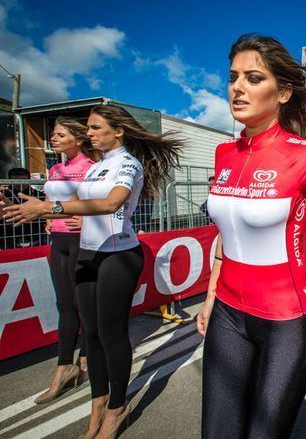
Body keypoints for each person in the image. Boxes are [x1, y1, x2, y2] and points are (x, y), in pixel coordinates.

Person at [196, 34, 306, 439]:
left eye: (252, 78)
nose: (237, 88)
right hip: (227, 313)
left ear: (282, 92)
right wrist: (211, 299)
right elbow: (227, 238)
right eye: (232, 78)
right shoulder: (223, 153)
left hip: (286, 320)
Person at [2, 104, 183, 438]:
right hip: (88, 254)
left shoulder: (127, 163)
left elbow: (113, 203)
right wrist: (31, 205)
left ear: (118, 131)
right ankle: (97, 404)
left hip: (118, 256)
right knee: (92, 335)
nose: (89, 133)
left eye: (96, 128)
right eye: (87, 128)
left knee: (112, 336)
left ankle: (117, 407)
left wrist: (49, 207)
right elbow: (86, 206)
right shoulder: (97, 166)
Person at [35, 118, 97, 404]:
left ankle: (83, 358)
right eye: (53, 135)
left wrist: (87, 220)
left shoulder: (91, 167)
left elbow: (104, 203)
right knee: (64, 304)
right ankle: (65, 366)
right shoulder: (55, 169)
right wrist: (48, 218)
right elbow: (52, 205)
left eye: (60, 135)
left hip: (81, 241)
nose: (54, 139)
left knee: (81, 302)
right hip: (58, 241)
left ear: (78, 139)